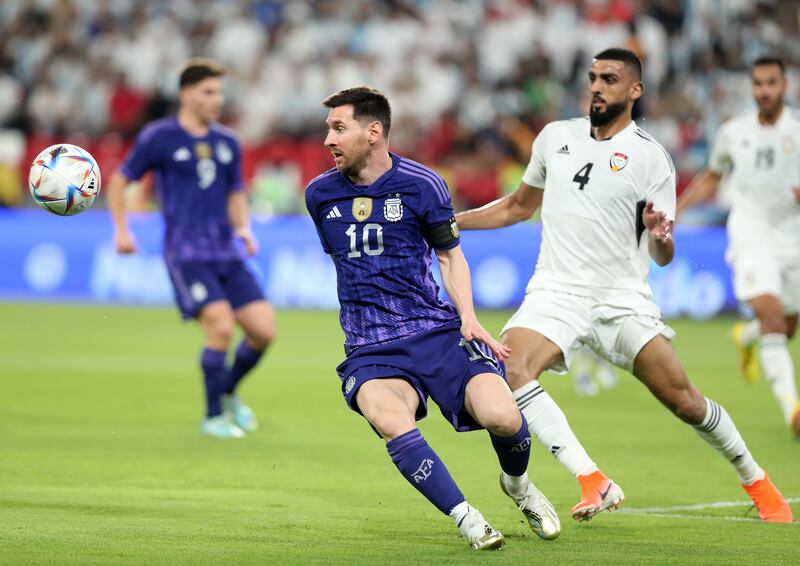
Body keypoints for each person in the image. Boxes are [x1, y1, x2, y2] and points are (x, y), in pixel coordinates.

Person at [455, 48, 793, 523]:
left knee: (686, 401)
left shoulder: (651, 158)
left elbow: (662, 252)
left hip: (621, 300)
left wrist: (660, 235)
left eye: (609, 79)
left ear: (634, 91)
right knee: (509, 369)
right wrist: (452, 222)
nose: (596, 86)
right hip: (557, 291)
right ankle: (591, 479)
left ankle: (757, 480)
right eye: (593, 77)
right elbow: (517, 206)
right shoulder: (556, 138)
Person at [305, 86, 560, 550]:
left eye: (339, 128)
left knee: (502, 415)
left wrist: (467, 316)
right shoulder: (319, 195)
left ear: (374, 131)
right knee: (389, 419)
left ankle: (518, 485)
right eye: (329, 129)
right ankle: (468, 520)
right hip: (370, 346)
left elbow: (450, 256)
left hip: (435, 329)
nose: (329, 140)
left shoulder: (423, 185)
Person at [107, 58, 276, 438]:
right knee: (220, 325)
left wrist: (244, 229)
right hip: (186, 252)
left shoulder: (228, 142)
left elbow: (235, 192)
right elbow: (120, 181)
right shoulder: (159, 136)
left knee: (264, 331)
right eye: (209, 92)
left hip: (225, 250)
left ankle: (228, 390)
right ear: (186, 94)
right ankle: (213, 416)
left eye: (219, 92)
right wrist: (121, 230)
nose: (217, 99)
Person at [677, 56, 800, 436]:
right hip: (750, 236)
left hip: (792, 238)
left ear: (785, 86)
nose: (765, 91)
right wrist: (678, 210)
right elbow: (713, 176)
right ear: (751, 87)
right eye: (759, 83)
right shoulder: (734, 132)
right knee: (774, 319)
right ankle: (793, 411)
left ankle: (745, 337)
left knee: (786, 325)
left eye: (772, 83)